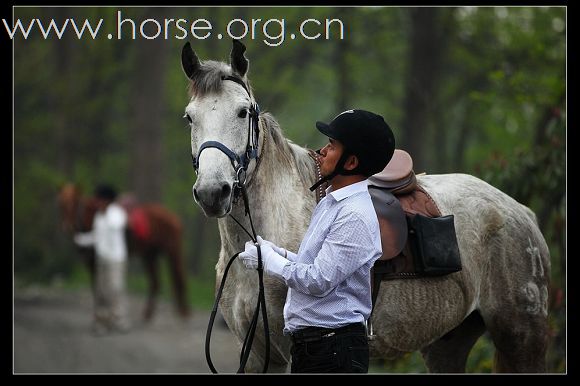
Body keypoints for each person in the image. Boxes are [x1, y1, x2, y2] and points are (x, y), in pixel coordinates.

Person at [239, 109, 395, 373]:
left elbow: (318, 280)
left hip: (332, 350)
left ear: (351, 161)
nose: (321, 151)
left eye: (332, 146)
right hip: (315, 347)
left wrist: (270, 262)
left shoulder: (354, 215)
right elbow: (314, 265)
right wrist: (276, 252)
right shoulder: (331, 203)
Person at [74, 184, 131, 335]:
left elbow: (117, 225)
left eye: (99, 200)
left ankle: (119, 319)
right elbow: (96, 236)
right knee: (101, 291)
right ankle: (102, 321)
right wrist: (80, 239)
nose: (97, 203)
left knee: (116, 288)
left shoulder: (116, 213)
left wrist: (106, 212)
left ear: (106, 200)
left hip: (116, 258)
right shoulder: (99, 216)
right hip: (102, 259)